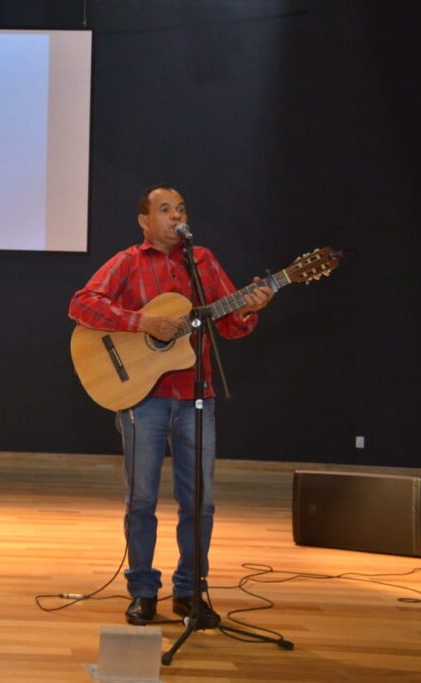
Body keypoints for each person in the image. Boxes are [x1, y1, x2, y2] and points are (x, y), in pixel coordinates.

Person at [68, 185, 273, 626]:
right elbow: (81, 304)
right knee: (141, 499)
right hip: (143, 399)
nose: (175, 215)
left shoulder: (202, 262)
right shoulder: (128, 262)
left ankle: (190, 591)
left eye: (180, 209)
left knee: (200, 501)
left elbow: (233, 329)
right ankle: (143, 590)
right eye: (165, 210)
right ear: (144, 221)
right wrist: (144, 322)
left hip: (198, 397)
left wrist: (250, 308)